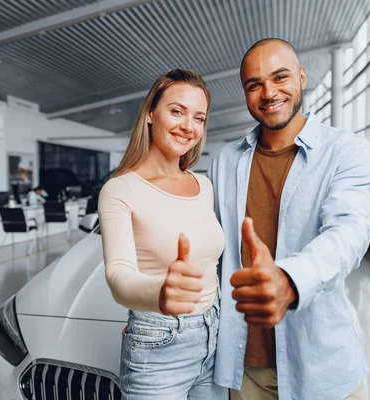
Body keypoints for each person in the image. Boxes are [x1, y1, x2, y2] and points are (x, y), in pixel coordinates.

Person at [208, 38, 370, 400]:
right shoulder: (224, 162)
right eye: (254, 84)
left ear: (302, 77)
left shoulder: (346, 152)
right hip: (245, 368)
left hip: (321, 366)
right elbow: (210, 254)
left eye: (280, 77)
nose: (268, 92)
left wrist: (290, 279)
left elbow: (350, 231)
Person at [98, 69, 228, 399]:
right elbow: (118, 274)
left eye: (199, 117)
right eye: (177, 111)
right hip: (159, 344)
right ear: (151, 113)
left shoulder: (205, 186)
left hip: (215, 331)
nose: (189, 126)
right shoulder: (120, 189)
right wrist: (160, 292)